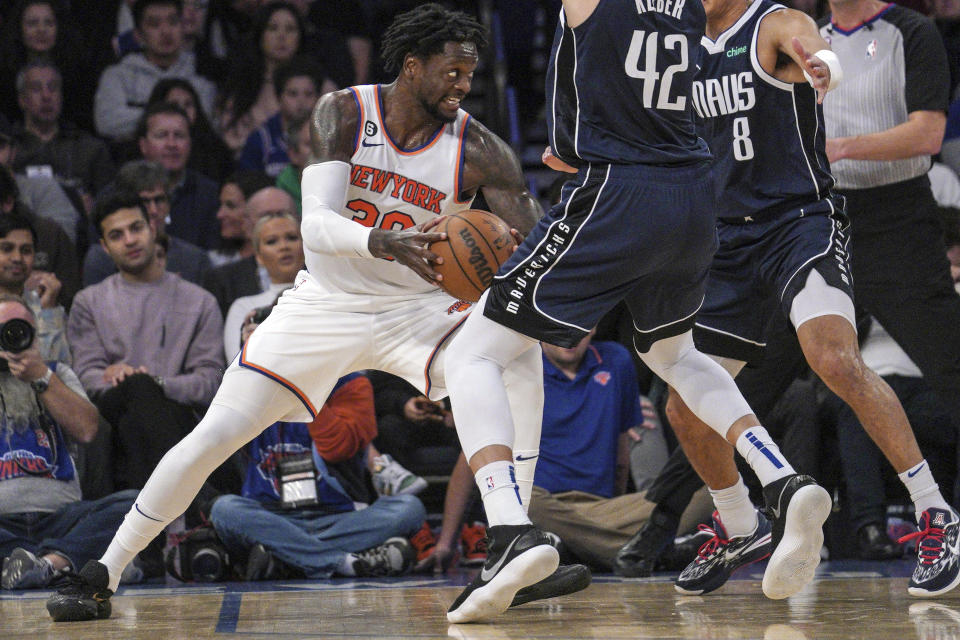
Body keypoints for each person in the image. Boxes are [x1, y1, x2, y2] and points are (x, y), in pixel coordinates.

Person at [45, 4, 584, 623]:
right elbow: (317, 223)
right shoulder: (347, 112)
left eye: (471, 73)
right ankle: (103, 572)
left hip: (418, 309)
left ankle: (510, 536)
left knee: (515, 346)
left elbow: (537, 240)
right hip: (325, 305)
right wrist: (382, 241)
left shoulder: (480, 149)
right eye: (453, 71)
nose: (464, 85)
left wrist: (532, 246)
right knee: (212, 439)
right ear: (412, 66)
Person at [442, 0, 832, 622]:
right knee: (673, 353)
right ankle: (781, 479)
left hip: (619, 190)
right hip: (691, 196)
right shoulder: (689, 7)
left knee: (472, 351)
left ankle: (508, 532)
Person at [614, 0, 957, 600]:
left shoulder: (772, 22)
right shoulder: (683, 46)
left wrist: (822, 63)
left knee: (835, 360)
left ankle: (935, 513)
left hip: (797, 223)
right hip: (725, 241)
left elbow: (807, 42)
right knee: (683, 405)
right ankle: (741, 523)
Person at [820, 0, 960, 595]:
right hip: (829, 219)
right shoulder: (804, 39)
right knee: (786, 372)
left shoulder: (911, 32)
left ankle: (934, 514)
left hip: (898, 215)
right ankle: (760, 519)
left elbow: (928, 132)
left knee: (950, 370)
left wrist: (842, 148)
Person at [68, 191, 224, 491]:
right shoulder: (88, 302)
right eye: (117, 235)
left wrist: (154, 384)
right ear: (104, 247)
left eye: (136, 228)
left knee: (140, 407)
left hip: (178, 415)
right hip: (112, 414)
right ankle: (197, 505)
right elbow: (87, 376)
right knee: (136, 396)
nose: (129, 240)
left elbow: (209, 382)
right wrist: (126, 381)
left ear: (153, 229)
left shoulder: (200, 301)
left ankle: (150, 524)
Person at [210, 368, 424, 581]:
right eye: (248, 333)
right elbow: (220, 435)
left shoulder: (352, 385)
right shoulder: (246, 388)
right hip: (271, 517)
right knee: (225, 508)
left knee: (409, 509)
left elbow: (336, 448)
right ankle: (342, 562)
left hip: (336, 518)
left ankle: (287, 556)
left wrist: (306, 389)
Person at [528, 330, 703, 572]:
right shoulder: (522, 365)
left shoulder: (616, 360)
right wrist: (453, 544)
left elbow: (622, 454)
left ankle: (580, 549)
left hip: (606, 510)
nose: (570, 335)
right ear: (544, 324)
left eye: (581, 325)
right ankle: (647, 551)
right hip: (548, 505)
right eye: (561, 326)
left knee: (707, 489)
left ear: (595, 326)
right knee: (526, 499)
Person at [0, 294, 139, 591]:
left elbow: (88, 429)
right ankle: (69, 564)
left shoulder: (56, 374)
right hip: (3, 524)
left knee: (134, 504)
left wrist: (39, 376)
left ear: (34, 337)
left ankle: (45, 565)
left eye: (18, 330)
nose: (9, 339)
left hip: (63, 521)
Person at [94, 0, 216, 142]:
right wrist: (174, 112)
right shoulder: (117, 75)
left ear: (183, 27)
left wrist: (145, 116)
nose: (166, 31)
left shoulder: (202, 73)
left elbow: (205, 125)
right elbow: (106, 123)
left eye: (173, 22)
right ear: (138, 35)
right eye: (155, 24)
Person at [12, 60, 116, 218]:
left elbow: (112, 204)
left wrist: (94, 208)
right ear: (22, 99)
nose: (46, 96)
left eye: (53, 88)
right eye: (36, 89)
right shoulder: (8, 148)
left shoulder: (90, 148)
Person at [83, 160, 212, 287]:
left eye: (159, 200)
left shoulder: (195, 260)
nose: (153, 211)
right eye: (144, 202)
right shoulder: (102, 258)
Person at [134, 102, 220, 250]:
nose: (171, 144)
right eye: (161, 135)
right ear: (143, 145)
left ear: (190, 144)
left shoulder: (210, 194)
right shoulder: (118, 193)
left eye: (179, 136)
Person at [222, 211, 303, 361]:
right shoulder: (245, 307)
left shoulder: (329, 297)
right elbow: (236, 365)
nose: (284, 246)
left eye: (292, 238)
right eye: (272, 241)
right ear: (258, 256)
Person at [203, 186, 295, 317]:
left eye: (283, 214)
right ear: (246, 224)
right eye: (267, 216)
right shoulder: (223, 281)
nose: (277, 223)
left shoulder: (322, 275)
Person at [237, 55, 328, 178]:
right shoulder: (260, 140)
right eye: (292, 94)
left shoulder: (331, 137)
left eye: (308, 94)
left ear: (318, 97)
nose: (301, 102)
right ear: (278, 97)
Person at [0, 213, 69, 364]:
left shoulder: (44, 306)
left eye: (26, 251)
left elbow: (59, 371)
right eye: (7, 249)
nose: (17, 258)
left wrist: (48, 310)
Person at [147, 78, 234, 184]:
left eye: (188, 104)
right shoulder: (136, 150)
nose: (182, 110)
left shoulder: (216, 151)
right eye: (174, 105)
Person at [209, 171, 276, 268]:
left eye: (230, 206)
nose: (219, 214)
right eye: (221, 205)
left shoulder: (285, 259)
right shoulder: (213, 261)